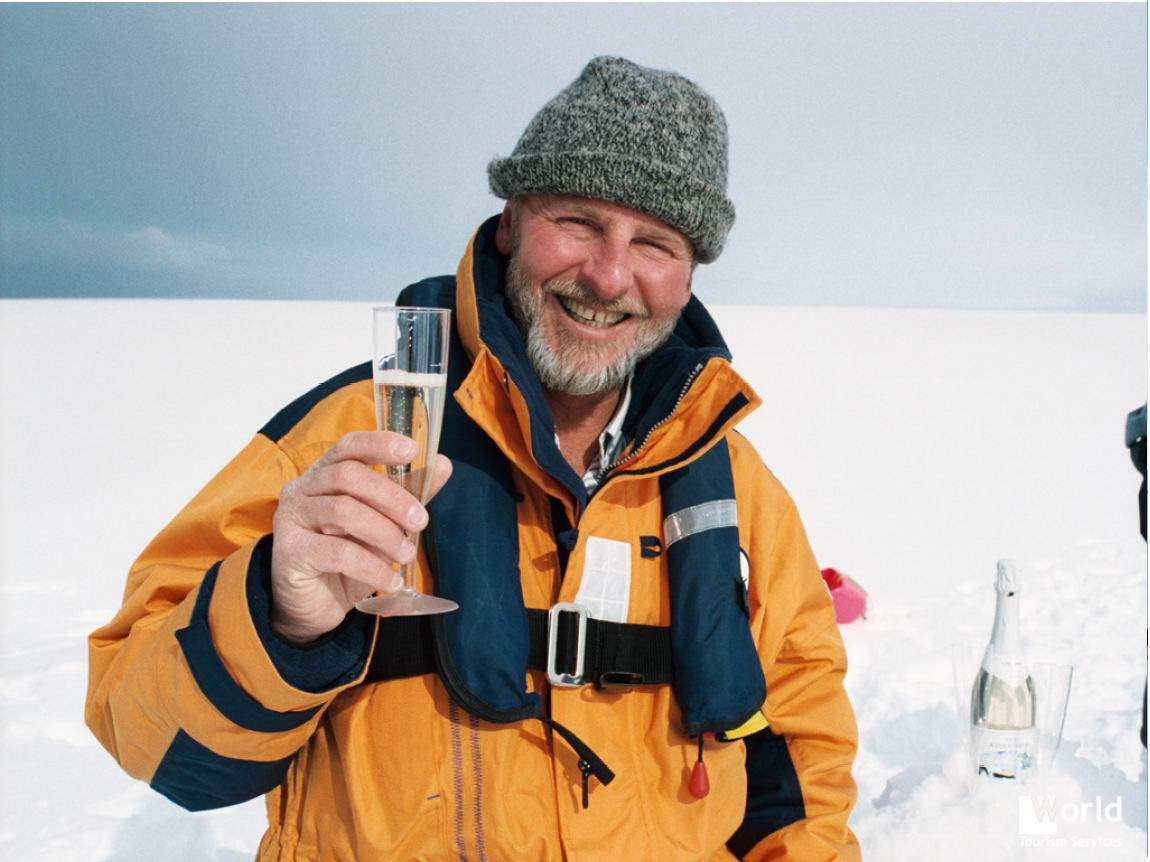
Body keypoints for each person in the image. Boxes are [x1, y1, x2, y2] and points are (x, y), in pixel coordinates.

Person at [86, 56, 861, 860]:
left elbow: (801, 755)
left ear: (690, 275)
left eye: (655, 243)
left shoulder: (733, 485)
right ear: (510, 222)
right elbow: (153, 743)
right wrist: (281, 619)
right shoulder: (343, 446)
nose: (609, 276)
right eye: (578, 222)